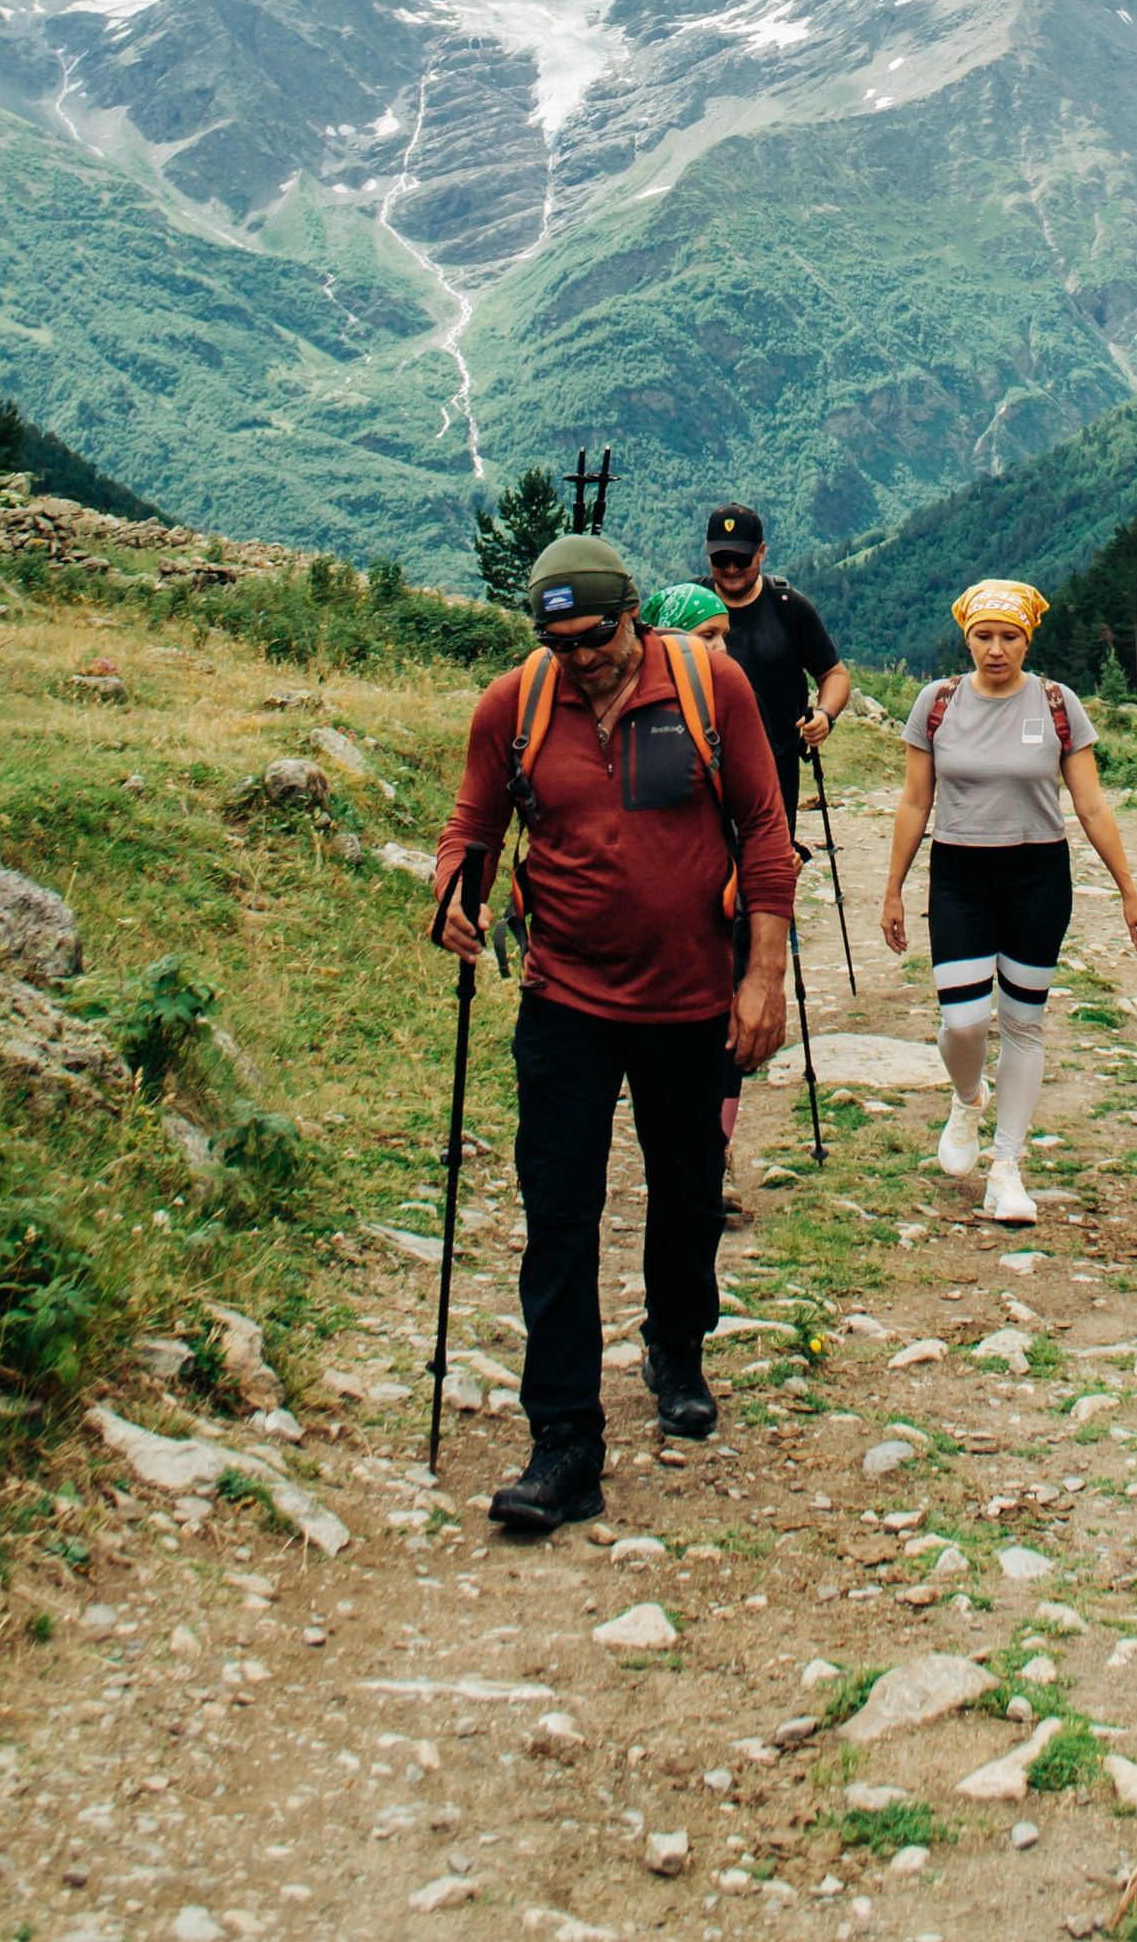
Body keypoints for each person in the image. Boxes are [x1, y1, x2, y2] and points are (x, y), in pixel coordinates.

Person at [431, 532, 799, 1533]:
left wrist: (762, 977)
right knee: (558, 1211)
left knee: (685, 1193)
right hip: (565, 999)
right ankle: (563, 1440)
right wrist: (450, 891)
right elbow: (472, 825)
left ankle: (676, 1346)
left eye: (597, 638)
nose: (583, 659)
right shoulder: (514, 705)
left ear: (630, 614)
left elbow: (765, 830)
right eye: (562, 644)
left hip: (691, 999)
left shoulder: (706, 685)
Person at [879, 577, 1137, 1225]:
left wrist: (1129, 892)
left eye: (1009, 637)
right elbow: (916, 801)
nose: (996, 650)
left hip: (1037, 875)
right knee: (964, 1023)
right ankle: (968, 1098)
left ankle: (1007, 1166)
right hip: (959, 875)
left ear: (1028, 638)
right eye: (984, 636)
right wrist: (892, 889)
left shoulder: (1057, 704)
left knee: (1024, 1022)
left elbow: (1089, 803)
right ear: (966, 637)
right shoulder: (937, 703)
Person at [704, 504, 852, 828]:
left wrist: (825, 715)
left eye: (741, 559)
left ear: (761, 552)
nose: (731, 569)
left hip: (776, 766)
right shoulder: (690, 604)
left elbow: (834, 674)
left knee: (771, 868)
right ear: (707, 554)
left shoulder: (789, 607)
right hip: (702, 769)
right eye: (720, 559)